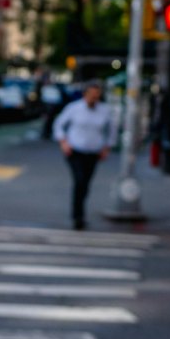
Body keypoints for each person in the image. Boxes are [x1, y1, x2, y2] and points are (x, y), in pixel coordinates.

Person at [52, 80, 119, 230]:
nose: (94, 99)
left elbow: (112, 130)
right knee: (79, 181)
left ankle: (80, 212)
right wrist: (63, 142)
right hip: (75, 151)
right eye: (91, 96)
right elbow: (58, 125)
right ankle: (77, 216)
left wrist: (107, 147)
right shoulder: (74, 108)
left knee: (85, 184)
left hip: (93, 153)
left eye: (97, 96)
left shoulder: (104, 110)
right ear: (85, 94)